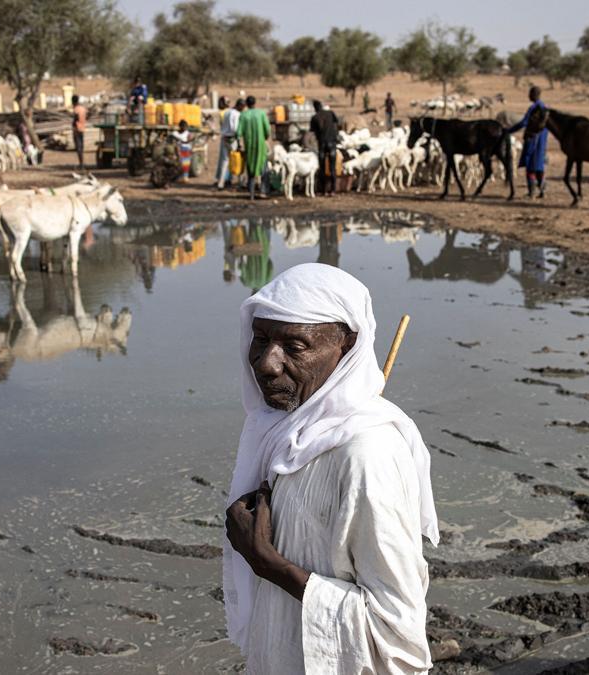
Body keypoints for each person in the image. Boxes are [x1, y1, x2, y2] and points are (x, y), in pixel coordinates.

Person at [224, 263, 438, 673]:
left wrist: (270, 564)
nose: (267, 363)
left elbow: (397, 636)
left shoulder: (365, 455)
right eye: (261, 339)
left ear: (347, 347)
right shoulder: (284, 431)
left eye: (295, 346)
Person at [504, 85, 548, 198]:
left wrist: (509, 131)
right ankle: (542, 190)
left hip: (532, 139)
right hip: (542, 141)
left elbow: (524, 123)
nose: (528, 96)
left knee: (530, 165)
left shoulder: (534, 108)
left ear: (534, 95)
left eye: (530, 93)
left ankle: (531, 192)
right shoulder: (545, 108)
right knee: (539, 164)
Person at [237, 96, 270, 199]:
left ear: (246, 104)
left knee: (250, 169)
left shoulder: (243, 115)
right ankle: (263, 192)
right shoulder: (261, 113)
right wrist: (265, 137)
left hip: (249, 146)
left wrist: (239, 144)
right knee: (264, 169)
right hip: (261, 146)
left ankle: (251, 193)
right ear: (255, 103)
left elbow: (238, 132)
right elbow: (267, 130)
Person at [309, 101, 339, 196]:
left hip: (322, 144)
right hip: (332, 143)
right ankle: (333, 189)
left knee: (322, 167)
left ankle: (323, 190)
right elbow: (336, 122)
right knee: (332, 167)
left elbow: (312, 131)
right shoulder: (330, 113)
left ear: (314, 108)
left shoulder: (315, 117)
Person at [215, 97, 242, 190]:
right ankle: (238, 182)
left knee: (224, 161)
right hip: (232, 139)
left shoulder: (226, 112)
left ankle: (221, 183)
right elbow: (235, 129)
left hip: (224, 138)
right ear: (240, 106)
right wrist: (239, 141)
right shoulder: (237, 114)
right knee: (236, 160)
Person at [71, 95, 88, 169]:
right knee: (81, 146)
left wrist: (74, 124)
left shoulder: (76, 109)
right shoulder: (83, 108)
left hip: (77, 129)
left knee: (78, 147)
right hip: (82, 128)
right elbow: (87, 116)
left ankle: (81, 164)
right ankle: (82, 163)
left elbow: (76, 118)